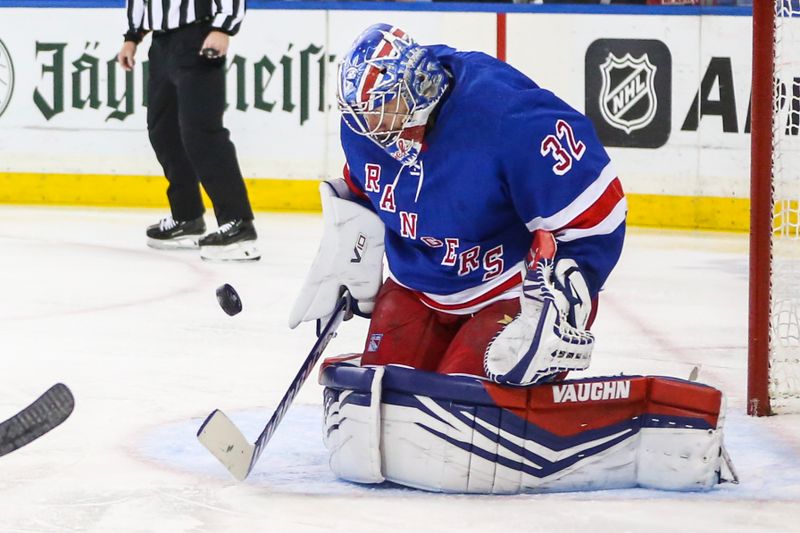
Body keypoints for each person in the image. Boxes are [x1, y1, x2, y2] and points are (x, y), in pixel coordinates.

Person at [293, 23, 626, 386]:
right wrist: (348, 251)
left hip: (509, 287)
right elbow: (363, 190)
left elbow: (598, 212)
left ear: (419, 88)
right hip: (418, 285)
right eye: (364, 115)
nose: (372, 127)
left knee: (459, 399)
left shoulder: (504, 117)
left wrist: (567, 298)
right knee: (380, 391)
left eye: (383, 109)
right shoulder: (364, 131)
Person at [117, 0, 259, 261]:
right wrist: (132, 36)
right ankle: (187, 216)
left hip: (199, 35)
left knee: (201, 132)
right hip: (161, 43)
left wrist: (223, 27)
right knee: (163, 131)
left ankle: (238, 224)